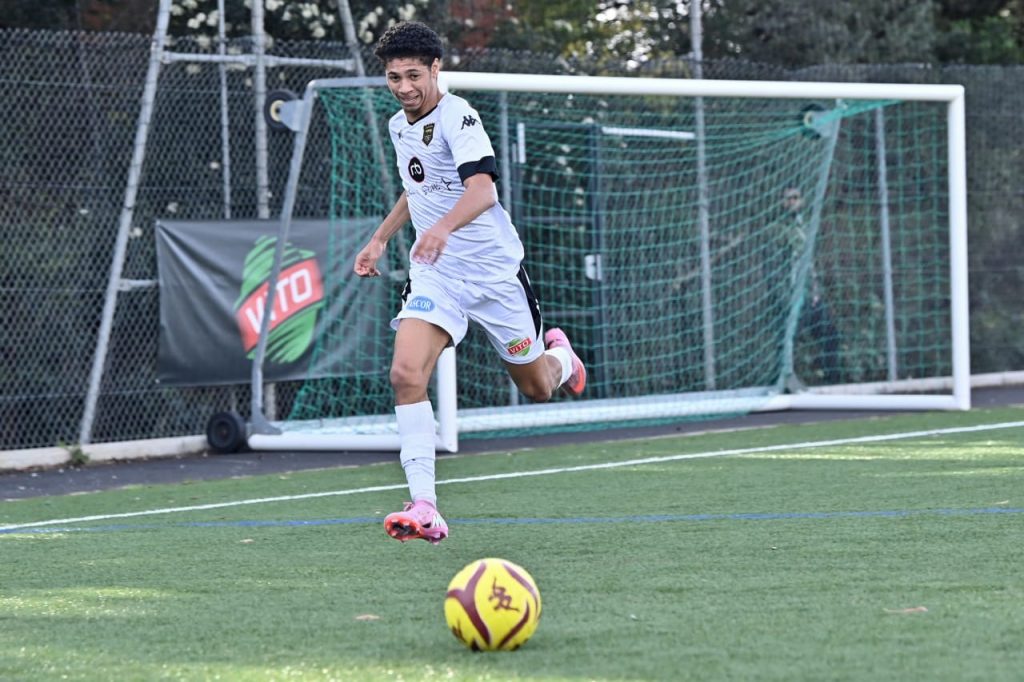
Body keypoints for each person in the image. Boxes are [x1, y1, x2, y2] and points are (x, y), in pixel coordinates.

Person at [354, 21, 587, 545]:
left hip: (494, 276)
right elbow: (416, 187)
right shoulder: (398, 126)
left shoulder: (459, 116)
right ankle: (425, 506)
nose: (404, 87)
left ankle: (563, 359)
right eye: (394, 77)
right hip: (437, 275)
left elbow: (481, 191)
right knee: (405, 373)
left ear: (436, 69)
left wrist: (441, 228)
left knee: (537, 388)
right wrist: (380, 239)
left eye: (414, 75)